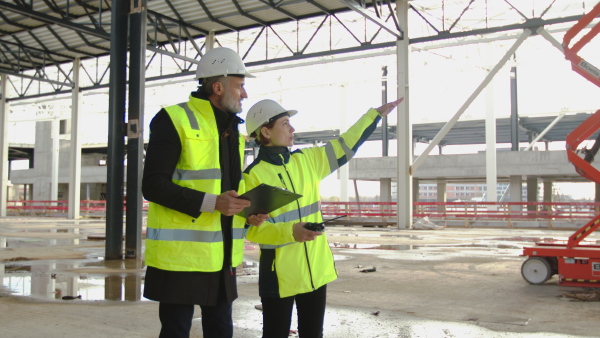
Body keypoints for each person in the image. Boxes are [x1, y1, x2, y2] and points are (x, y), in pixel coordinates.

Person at [243, 97, 403, 337]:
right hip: (279, 274)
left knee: (313, 333)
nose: (293, 129)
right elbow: (253, 230)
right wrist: (290, 232)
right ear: (265, 131)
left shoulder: (307, 160)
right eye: (285, 123)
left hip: (315, 270)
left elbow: (345, 145)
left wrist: (374, 116)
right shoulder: (252, 176)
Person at [142, 46, 257, 338]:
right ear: (218, 87)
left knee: (221, 330)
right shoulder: (173, 119)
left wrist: (248, 211)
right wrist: (212, 203)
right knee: (177, 330)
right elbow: (153, 185)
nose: (244, 94)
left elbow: (229, 191)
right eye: (240, 86)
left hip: (221, 255)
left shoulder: (233, 131)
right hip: (180, 256)